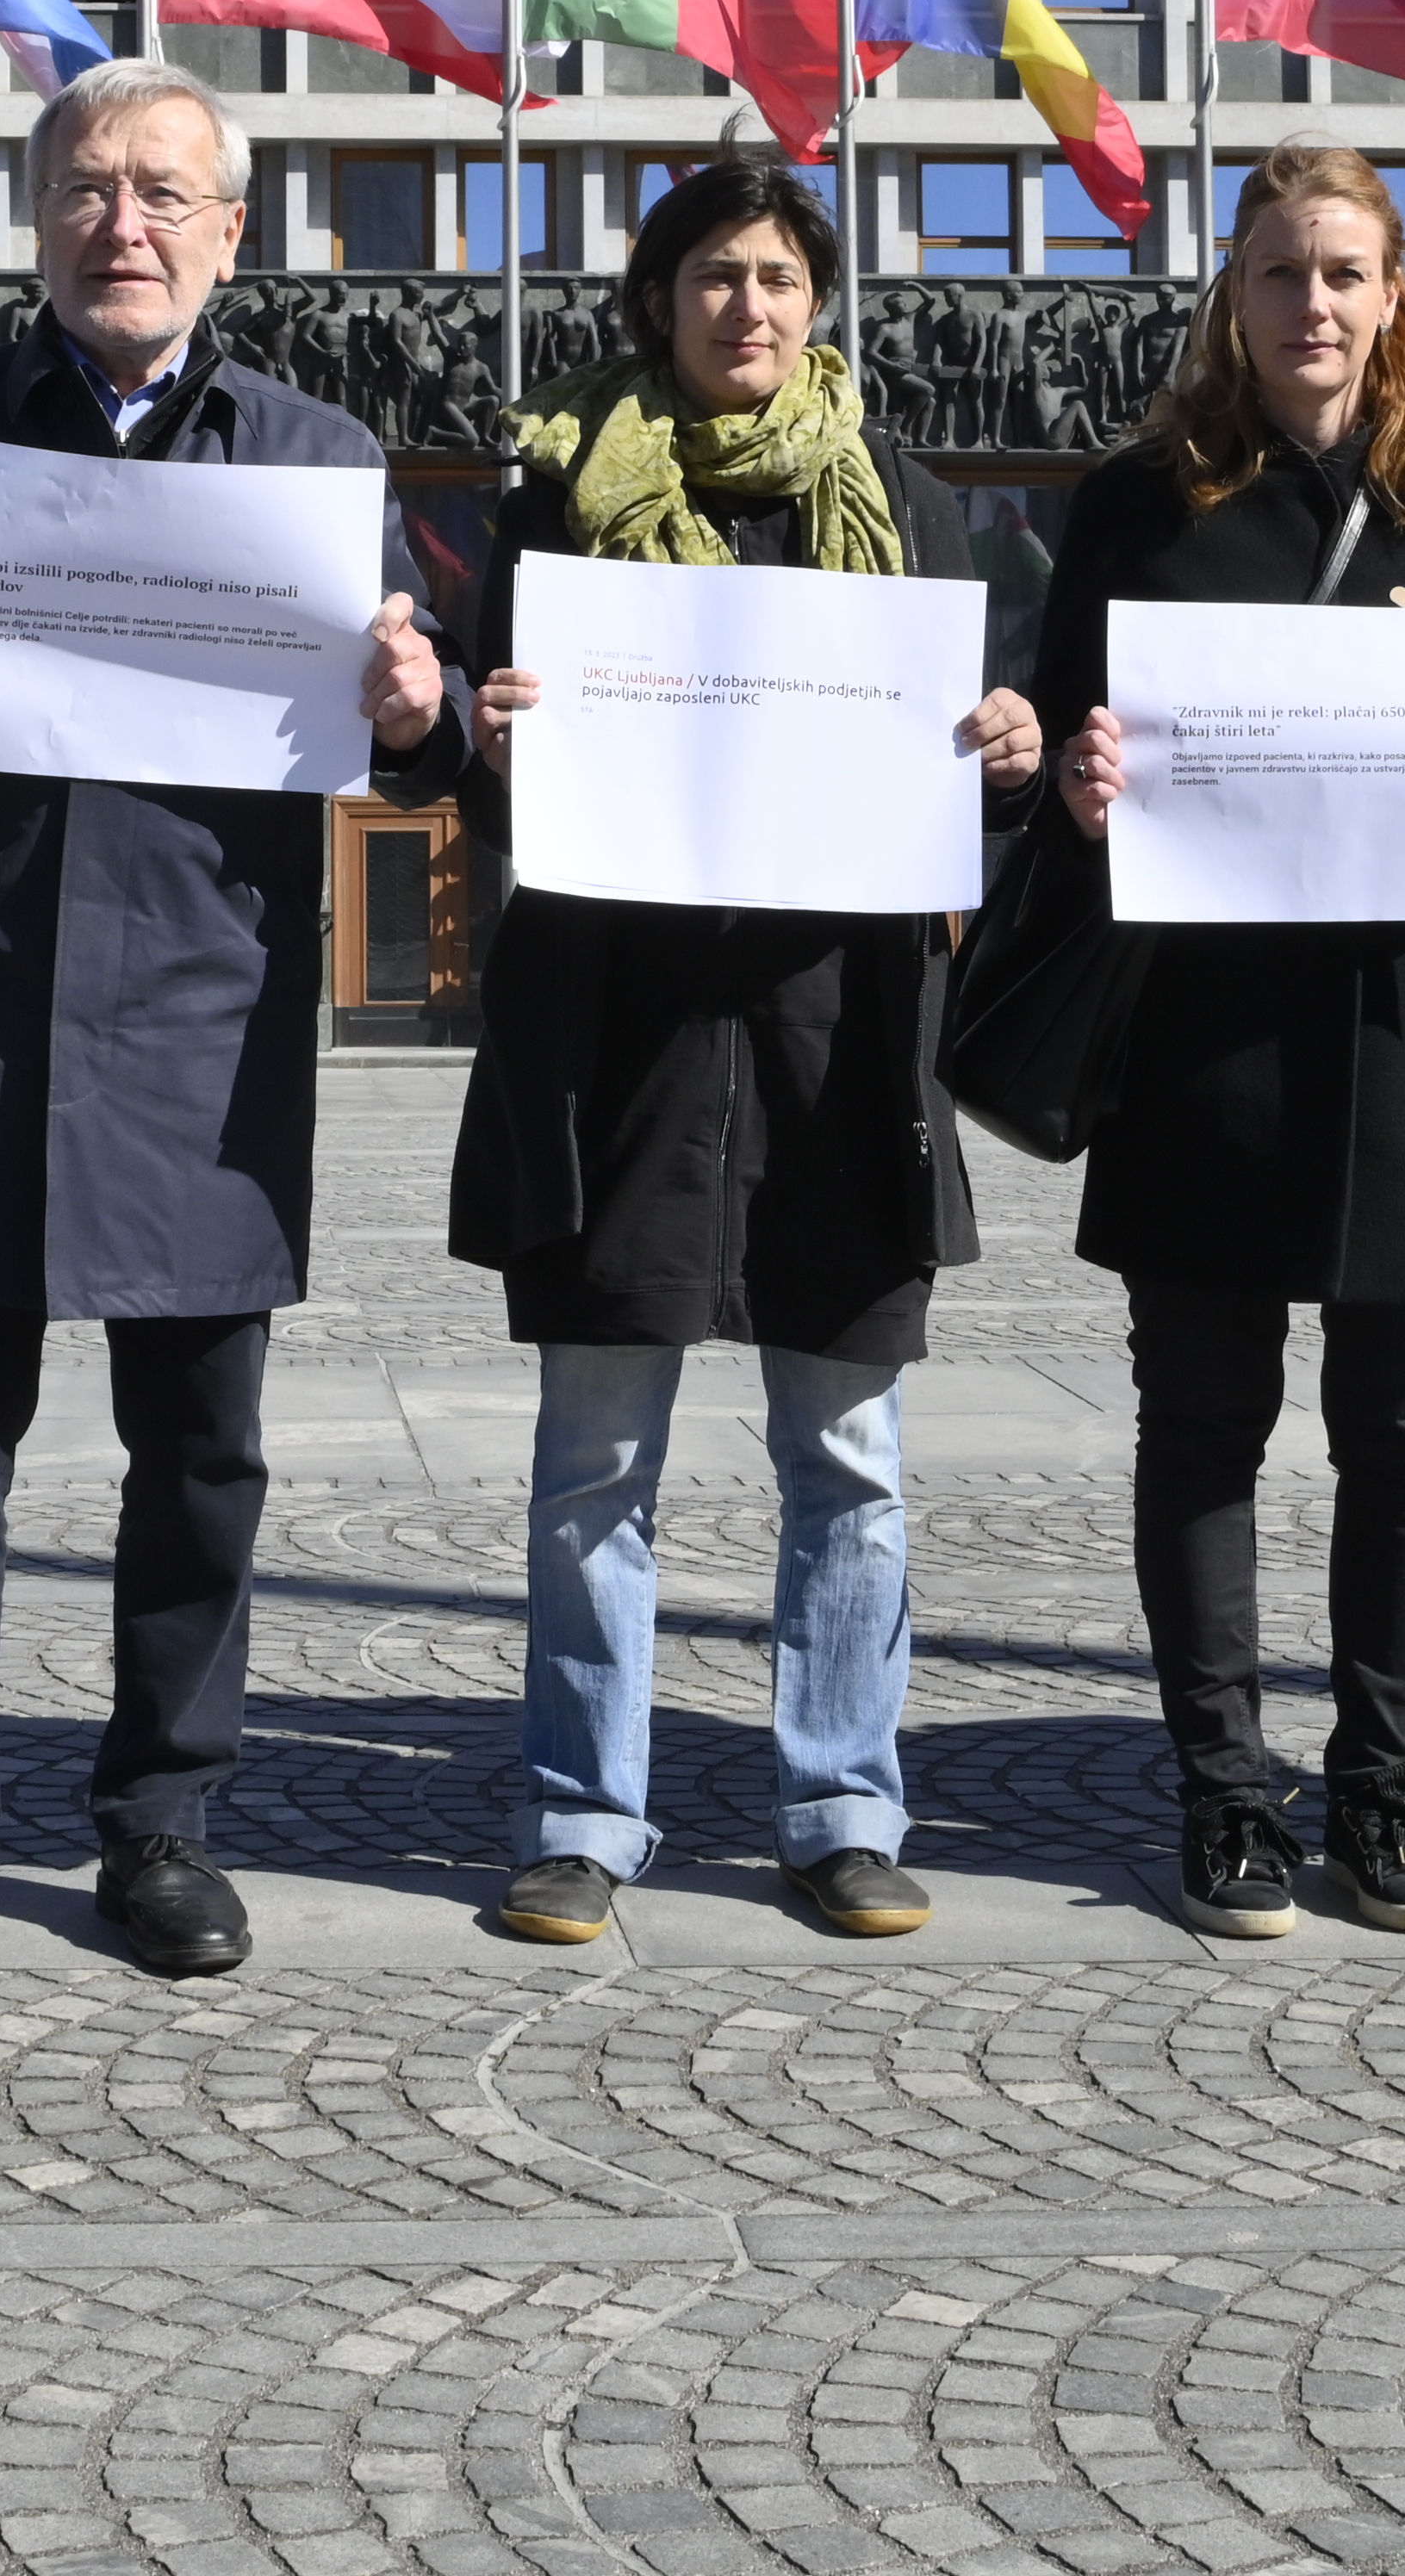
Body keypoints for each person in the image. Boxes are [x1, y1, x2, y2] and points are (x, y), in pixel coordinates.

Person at [0, 59, 455, 1993]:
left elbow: (426, 724)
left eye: (162, 191)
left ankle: (163, 1821)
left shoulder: (314, 457)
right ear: (40, 219)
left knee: (202, 1451)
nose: (121, 222)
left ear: (230, 231)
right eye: (85, 187)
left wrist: (418, 711)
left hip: (202, 1018)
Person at [442, 162, 1043, 1949]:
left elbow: (969, 787)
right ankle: (581, 1814)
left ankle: (843, 1807)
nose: (750, 306)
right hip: (614, 1050)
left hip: (836, 1051)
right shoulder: (556, 503)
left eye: (780, 276)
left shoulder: (909, 507)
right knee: (592, 1467)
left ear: (817, 303)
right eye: (716, 274)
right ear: (660, 298)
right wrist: (488, 739)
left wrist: (1006, 757)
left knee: (847, 1460)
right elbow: (489, 787)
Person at [1034, 143, 1405, 1940]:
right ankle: (1225, 1792)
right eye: (1280, 270)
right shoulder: (1138, 504)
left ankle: (1379, 1784)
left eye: (1344, 272)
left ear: (1394, 296)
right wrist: (1076, 780)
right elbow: (1054, 758)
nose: (1313, 304)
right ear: (1236, 293)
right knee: (1204, 1425)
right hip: (1208, 1035)